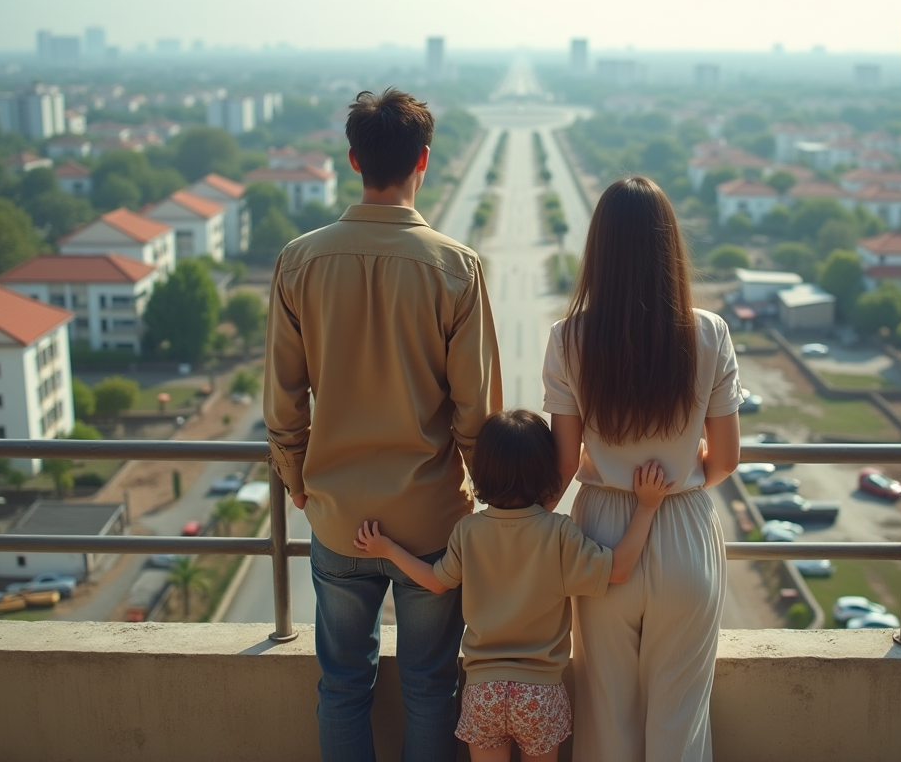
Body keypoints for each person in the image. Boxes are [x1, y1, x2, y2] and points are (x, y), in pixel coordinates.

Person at [263, 88, 502, 762]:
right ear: (424, 159)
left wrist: (298, 482)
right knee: (430, 685)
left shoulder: (298, 261)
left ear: (352, 159)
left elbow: (284, 402)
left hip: (337, 514)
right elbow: (475, 407)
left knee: (342, 684)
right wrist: (486, 494)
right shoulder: (455, 267)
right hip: (430, 520)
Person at [541, 176, 743, 762]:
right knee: (679, 724)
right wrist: (675, 477)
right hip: (683, 530)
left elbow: (560, 465)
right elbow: (726, 460)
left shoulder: (568, 339)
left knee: (607, 722)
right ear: (670, 247)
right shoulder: (710, 333)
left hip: (602, 538)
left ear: (598, 248)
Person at [354, 409, 671, 762]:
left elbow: (436, 581)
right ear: (545, 472)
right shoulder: (559, 533)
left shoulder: (468, 531)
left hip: (483, 692)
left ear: (484, 472)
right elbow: (620, 570)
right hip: (540, 693)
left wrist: (387, 549)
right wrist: (646, 506)